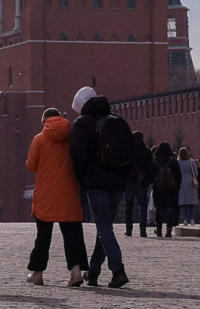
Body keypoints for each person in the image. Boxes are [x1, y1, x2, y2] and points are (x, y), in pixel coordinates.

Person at [69, 86, 132, 288]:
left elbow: (77, 156)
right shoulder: (117, 120)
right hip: (117, 183)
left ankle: (118, 269)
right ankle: (94, 272)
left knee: (104, 227)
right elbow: (130, 152)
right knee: (104, 228)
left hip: (96, 184)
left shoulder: (82, 124)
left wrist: (82, 180)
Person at [24, 108, 87, 287]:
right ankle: (76, 272)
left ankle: (37, 273)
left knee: (43, 236)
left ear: (44, 120)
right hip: (69, 193)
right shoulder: (72, 138)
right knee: (73, 235)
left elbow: (31, 164)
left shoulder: (40, 139)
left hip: (46, 195)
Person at [124, 131, 155, 237]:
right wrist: (148, 180)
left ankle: (129, 229)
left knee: (128, 207)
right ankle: (142, 229)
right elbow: (151, 167)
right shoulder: (146, 152)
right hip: (142, 183)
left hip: (129, 182)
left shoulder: (127, 151)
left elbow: (123, 166)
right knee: (142, 206)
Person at [152, 142, 181, 237]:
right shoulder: (173, 161)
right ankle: (169, 230)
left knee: (159, 209)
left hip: (158, 189)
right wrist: (177, 186)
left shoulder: (155, 161)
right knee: (170, 208)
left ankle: (159, 229)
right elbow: (178, 175)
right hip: (171, 189)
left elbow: (151, 175)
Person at [176, 147, 199, 226]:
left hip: (181, 181)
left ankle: (185, 219)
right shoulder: (191, 162)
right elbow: (195, 173)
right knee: (191, 202)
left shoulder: (178, 162)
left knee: (183, 202)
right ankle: (192, 219)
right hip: (190, 181)